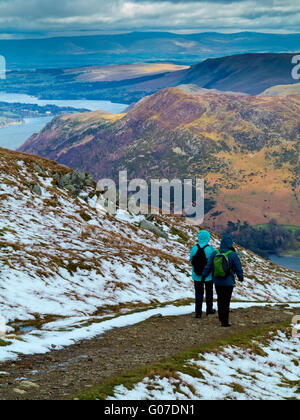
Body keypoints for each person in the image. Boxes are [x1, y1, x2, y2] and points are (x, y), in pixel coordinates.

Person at [202, 234, 244, 327]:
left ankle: (221, 317)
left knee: (220, 299)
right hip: (228, 282)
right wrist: (241, 277)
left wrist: (204, 275)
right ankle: (225, 321)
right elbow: (238, 268)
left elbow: (208, 266)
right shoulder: (232, 254)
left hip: (217, 281)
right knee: (226, 301)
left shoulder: (215, 253)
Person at [190, 230, 216, 318]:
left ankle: (198, 312)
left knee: (198, 293)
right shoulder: (210, 249)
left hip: (196, 275)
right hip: (208, 276)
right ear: (208, 238)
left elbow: (191, 261)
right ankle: (209, 309)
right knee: (209, 292)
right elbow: (212, 263)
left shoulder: (194, 248)